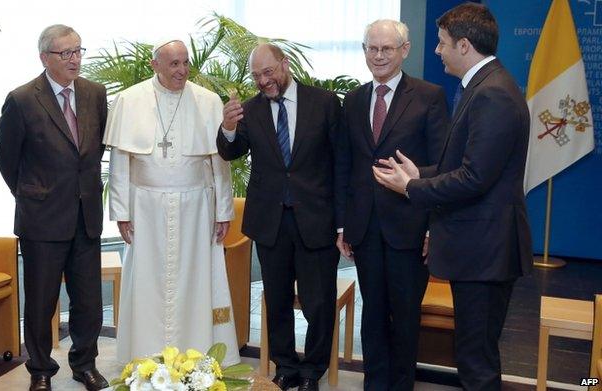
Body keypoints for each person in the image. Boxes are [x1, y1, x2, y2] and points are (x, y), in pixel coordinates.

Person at [372, 4, 533, 390]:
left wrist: (411, 187)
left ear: (464, 45)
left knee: (476, 362)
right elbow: (465, 162)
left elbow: (474, 177)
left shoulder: (492, 94)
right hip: (480, 249)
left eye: (443, 44)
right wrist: (420, 173)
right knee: (473, 355)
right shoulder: (484, 86)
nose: (437, 51)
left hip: (485, 252)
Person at [103, 39, 239, 365]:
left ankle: (196, 354)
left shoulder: (207, 101)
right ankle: (146, 355)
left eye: (185, 63)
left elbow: (219, 161)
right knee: (148, 284)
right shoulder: (129, 100)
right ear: (156, 65)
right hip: (146, 210)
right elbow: (121, 162)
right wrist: (121, 212)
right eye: (174, 64)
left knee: (196, 281)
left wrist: (223, 210)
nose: (182, 70)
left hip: (196, 209)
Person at [217, 43, 340, 391]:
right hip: (271, 221)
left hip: (317, 219)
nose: (264, 81)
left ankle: (313, 370)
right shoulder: (250, 111)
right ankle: (285, 366)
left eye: (269, 72)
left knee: (318, 302)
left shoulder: (325, 103)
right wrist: (227, 127)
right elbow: (230, 150)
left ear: (285, 64)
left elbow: (340, 163)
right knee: (277, 298)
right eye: (256, 76)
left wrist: (342, 221)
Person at [335, 19, 449, 390]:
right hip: (364, 228)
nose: (379, 56)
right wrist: (342, 225)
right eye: (372, 48)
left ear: (405, 50)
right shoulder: (352, 100)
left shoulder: (429, 95)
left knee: (404, 315)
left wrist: (431, 218)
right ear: (364, 51)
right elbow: (345, 165)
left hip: (409, 226)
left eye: (387, 48)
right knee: (372, 314)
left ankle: (401, 385)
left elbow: (444, 165)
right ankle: (374, 383)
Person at [0, 24, 109, 391]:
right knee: (41, 303)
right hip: (42, 219)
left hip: (85, 214)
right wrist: (32, 193)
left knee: (88, 300)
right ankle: (41, 371)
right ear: (45, 57)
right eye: (66, 53)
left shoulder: (94, 93)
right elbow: (5, 156)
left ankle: (84, 363)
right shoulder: (24, 98)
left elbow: (94, 149)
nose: (75, 59)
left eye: (78, 51)